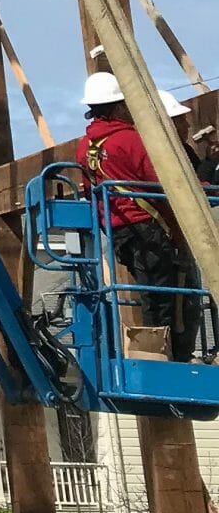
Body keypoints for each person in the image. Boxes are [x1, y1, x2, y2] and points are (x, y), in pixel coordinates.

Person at [77, 65, 196, 353]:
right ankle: (164, 356)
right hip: (147, 228)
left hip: (118, 231)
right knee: (163, 294)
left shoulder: (85, 147)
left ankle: (155, 353)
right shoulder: (130, 139)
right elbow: (162, 182)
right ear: (118, 106)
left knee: (151, 292)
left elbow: (88, 190)